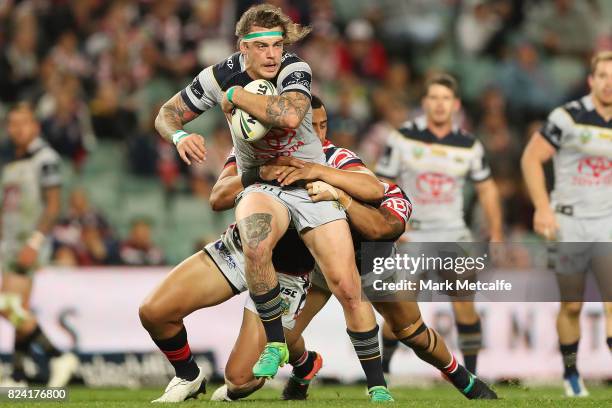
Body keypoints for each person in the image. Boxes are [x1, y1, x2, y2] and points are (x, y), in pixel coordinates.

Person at [149, 11, 391, 393]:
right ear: (242, 47)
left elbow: (292, 115)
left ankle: (359, 381)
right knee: (155, 312)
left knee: (344, 287)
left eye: (278, 44)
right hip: (264, 191)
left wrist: (235, 96)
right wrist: (178, 136)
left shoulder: (295, 70)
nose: (272, 54)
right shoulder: (217, 76)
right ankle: (196, 373)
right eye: (261, 46)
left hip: (305, 192)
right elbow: (166, 115)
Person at [210, 95, 497, 402]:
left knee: (411, 331)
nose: (318, 134)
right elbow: (221, 197)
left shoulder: (347, 165)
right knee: (286, 335)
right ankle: (305, 366)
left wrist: (334, 190)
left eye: (323, 126)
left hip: (368, 262)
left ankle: (462, 377)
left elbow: (377, 217)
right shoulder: (275, 157)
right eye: (310, 126)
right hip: (314, 265)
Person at [375, 73, 503, 376]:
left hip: (453, 233)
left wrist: (496, 231)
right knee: (400, 307)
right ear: (424, 103)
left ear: (455, 104)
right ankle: (383, 372)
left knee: (464, 304)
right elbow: (382, 183)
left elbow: (487, 188)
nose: (440, 105)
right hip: (413, 232)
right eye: (434, 98)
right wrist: (391, 223)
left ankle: (470, 375)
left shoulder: (469, 144)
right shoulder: (403, 137)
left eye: (445, 99)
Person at [521, 51, 612, 397]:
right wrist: (543, 208)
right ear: (591, 81)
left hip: (607, 223)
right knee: (572, 305)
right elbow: (531, 157)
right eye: (602, 75)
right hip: (570, 221)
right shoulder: (568, 116)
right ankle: (571, 373)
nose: (609, 82)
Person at [0, 103, 79, 387]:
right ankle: (18, 375)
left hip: (27, 243)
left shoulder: (45, 158)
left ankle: (58, 356)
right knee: (18, 308)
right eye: (12, 123)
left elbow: (54, 205)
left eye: (23, 123)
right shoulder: (12, 160)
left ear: (35, 126)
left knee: (6, 305)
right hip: (9, 243)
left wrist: (35, 241)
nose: (16, 129)